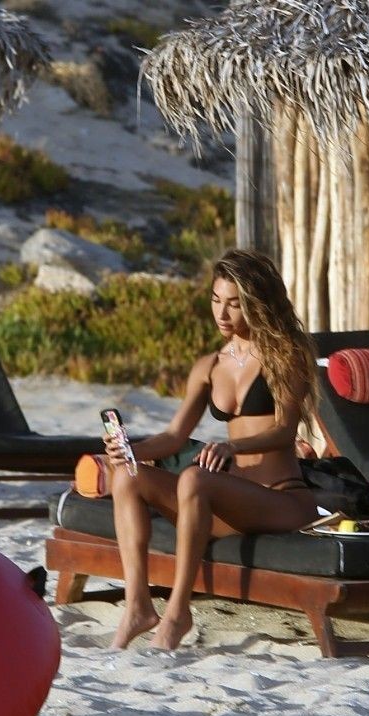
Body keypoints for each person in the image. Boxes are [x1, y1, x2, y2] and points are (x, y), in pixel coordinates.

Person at [103, 249, 319, 651]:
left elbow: (284, 430)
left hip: (281, 500)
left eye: (234, 304)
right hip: (230, 507)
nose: (222, 313)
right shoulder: (209, 366)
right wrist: (129, 449)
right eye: (216, 300)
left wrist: (232, 446)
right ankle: (138, 607)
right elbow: (174, 436)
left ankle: (177, 613)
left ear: (256, 303)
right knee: (128, 476)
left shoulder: (285, 356)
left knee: (195, 478)